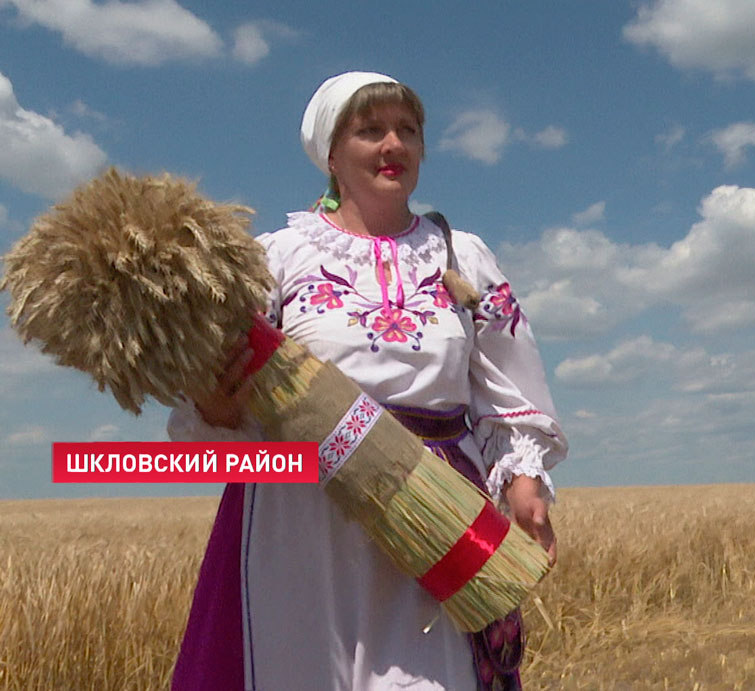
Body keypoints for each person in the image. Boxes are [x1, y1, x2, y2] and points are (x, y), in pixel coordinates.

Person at [168, 71, 567, 690]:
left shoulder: (463, 255)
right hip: (304, 518)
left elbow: (506, 384)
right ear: (330, 153)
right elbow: (226, 387)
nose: (393, 144)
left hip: (437, 506)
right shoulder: (275, 257)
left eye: (408, 131)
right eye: (370, 130)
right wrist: (216, 410)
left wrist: (522, 479)